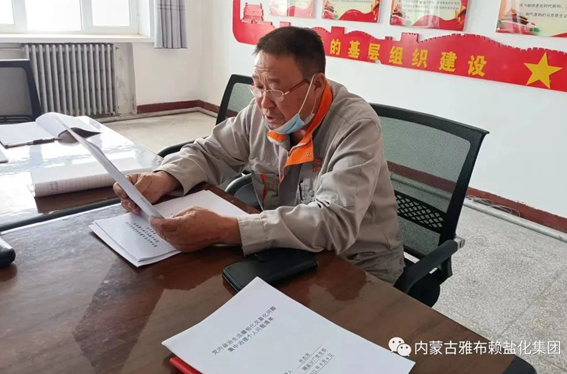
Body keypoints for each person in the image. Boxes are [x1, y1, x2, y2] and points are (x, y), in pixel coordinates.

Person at [114, 27, 405, 283]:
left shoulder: (356, 126)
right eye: (258, 86)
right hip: (287, 251)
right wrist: (164, 178)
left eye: (277, 91)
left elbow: (334, 221)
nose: (264, 103)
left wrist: (227, 230)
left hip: (357, 267)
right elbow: (212, 151)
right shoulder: (261, 111)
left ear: (316, 85)